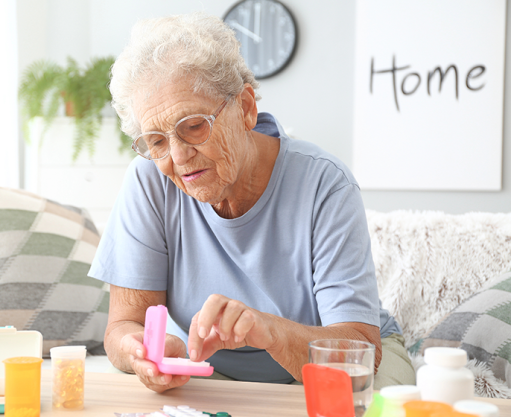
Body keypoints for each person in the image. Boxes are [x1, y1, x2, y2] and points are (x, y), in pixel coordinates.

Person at [88, 12, 415, 393]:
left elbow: (358, 348)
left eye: (194, 126)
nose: (178, 156)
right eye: (157, 141)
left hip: (334, 364)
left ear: (245, 107)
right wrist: (138, 351)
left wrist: (269, 332)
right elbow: (124, 325)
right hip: (212, 368)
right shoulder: (148, 182)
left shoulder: (325, 183)